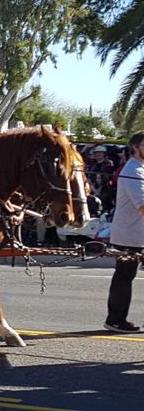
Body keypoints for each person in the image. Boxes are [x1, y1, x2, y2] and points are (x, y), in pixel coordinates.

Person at [104, 132, 144, 333]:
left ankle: (116, 318)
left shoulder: (141, 170)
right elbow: (142, 206)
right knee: (124, 277)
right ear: (135, 147)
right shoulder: (132, 171)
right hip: (130, 234)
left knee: (124, 277)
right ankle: (115, 320)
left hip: (138, 233)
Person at [87, 145, 116, 211]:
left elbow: (108, 177)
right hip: (92, 187)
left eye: (100, 152)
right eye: (97, 152)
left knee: (104, 202)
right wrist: (93, 188)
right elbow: (89, 176)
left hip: (104, 188)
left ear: (104, 154)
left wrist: (99, 190)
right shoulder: (93, 164)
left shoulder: (108, 163)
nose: (98, 154)